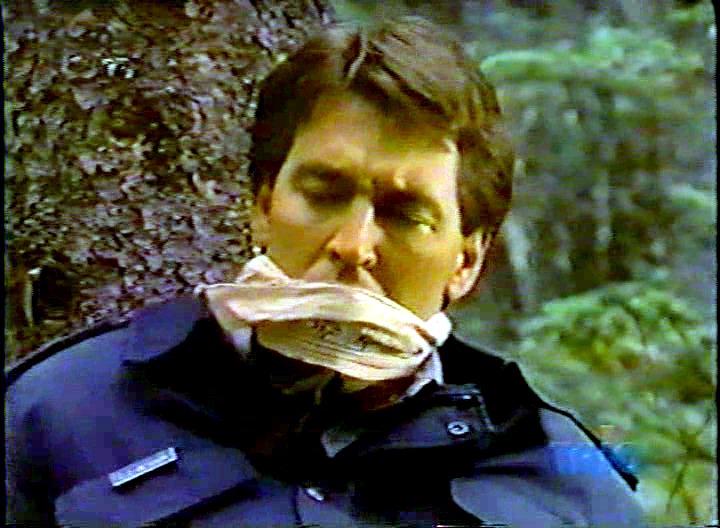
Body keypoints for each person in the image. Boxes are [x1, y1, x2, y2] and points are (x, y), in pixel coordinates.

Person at [6, 17, 644, 527]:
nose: (352, 245)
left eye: (405, 214)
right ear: (262, 207)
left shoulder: (558, 477)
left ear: (466, 261)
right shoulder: (57, 413)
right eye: (324, 193)